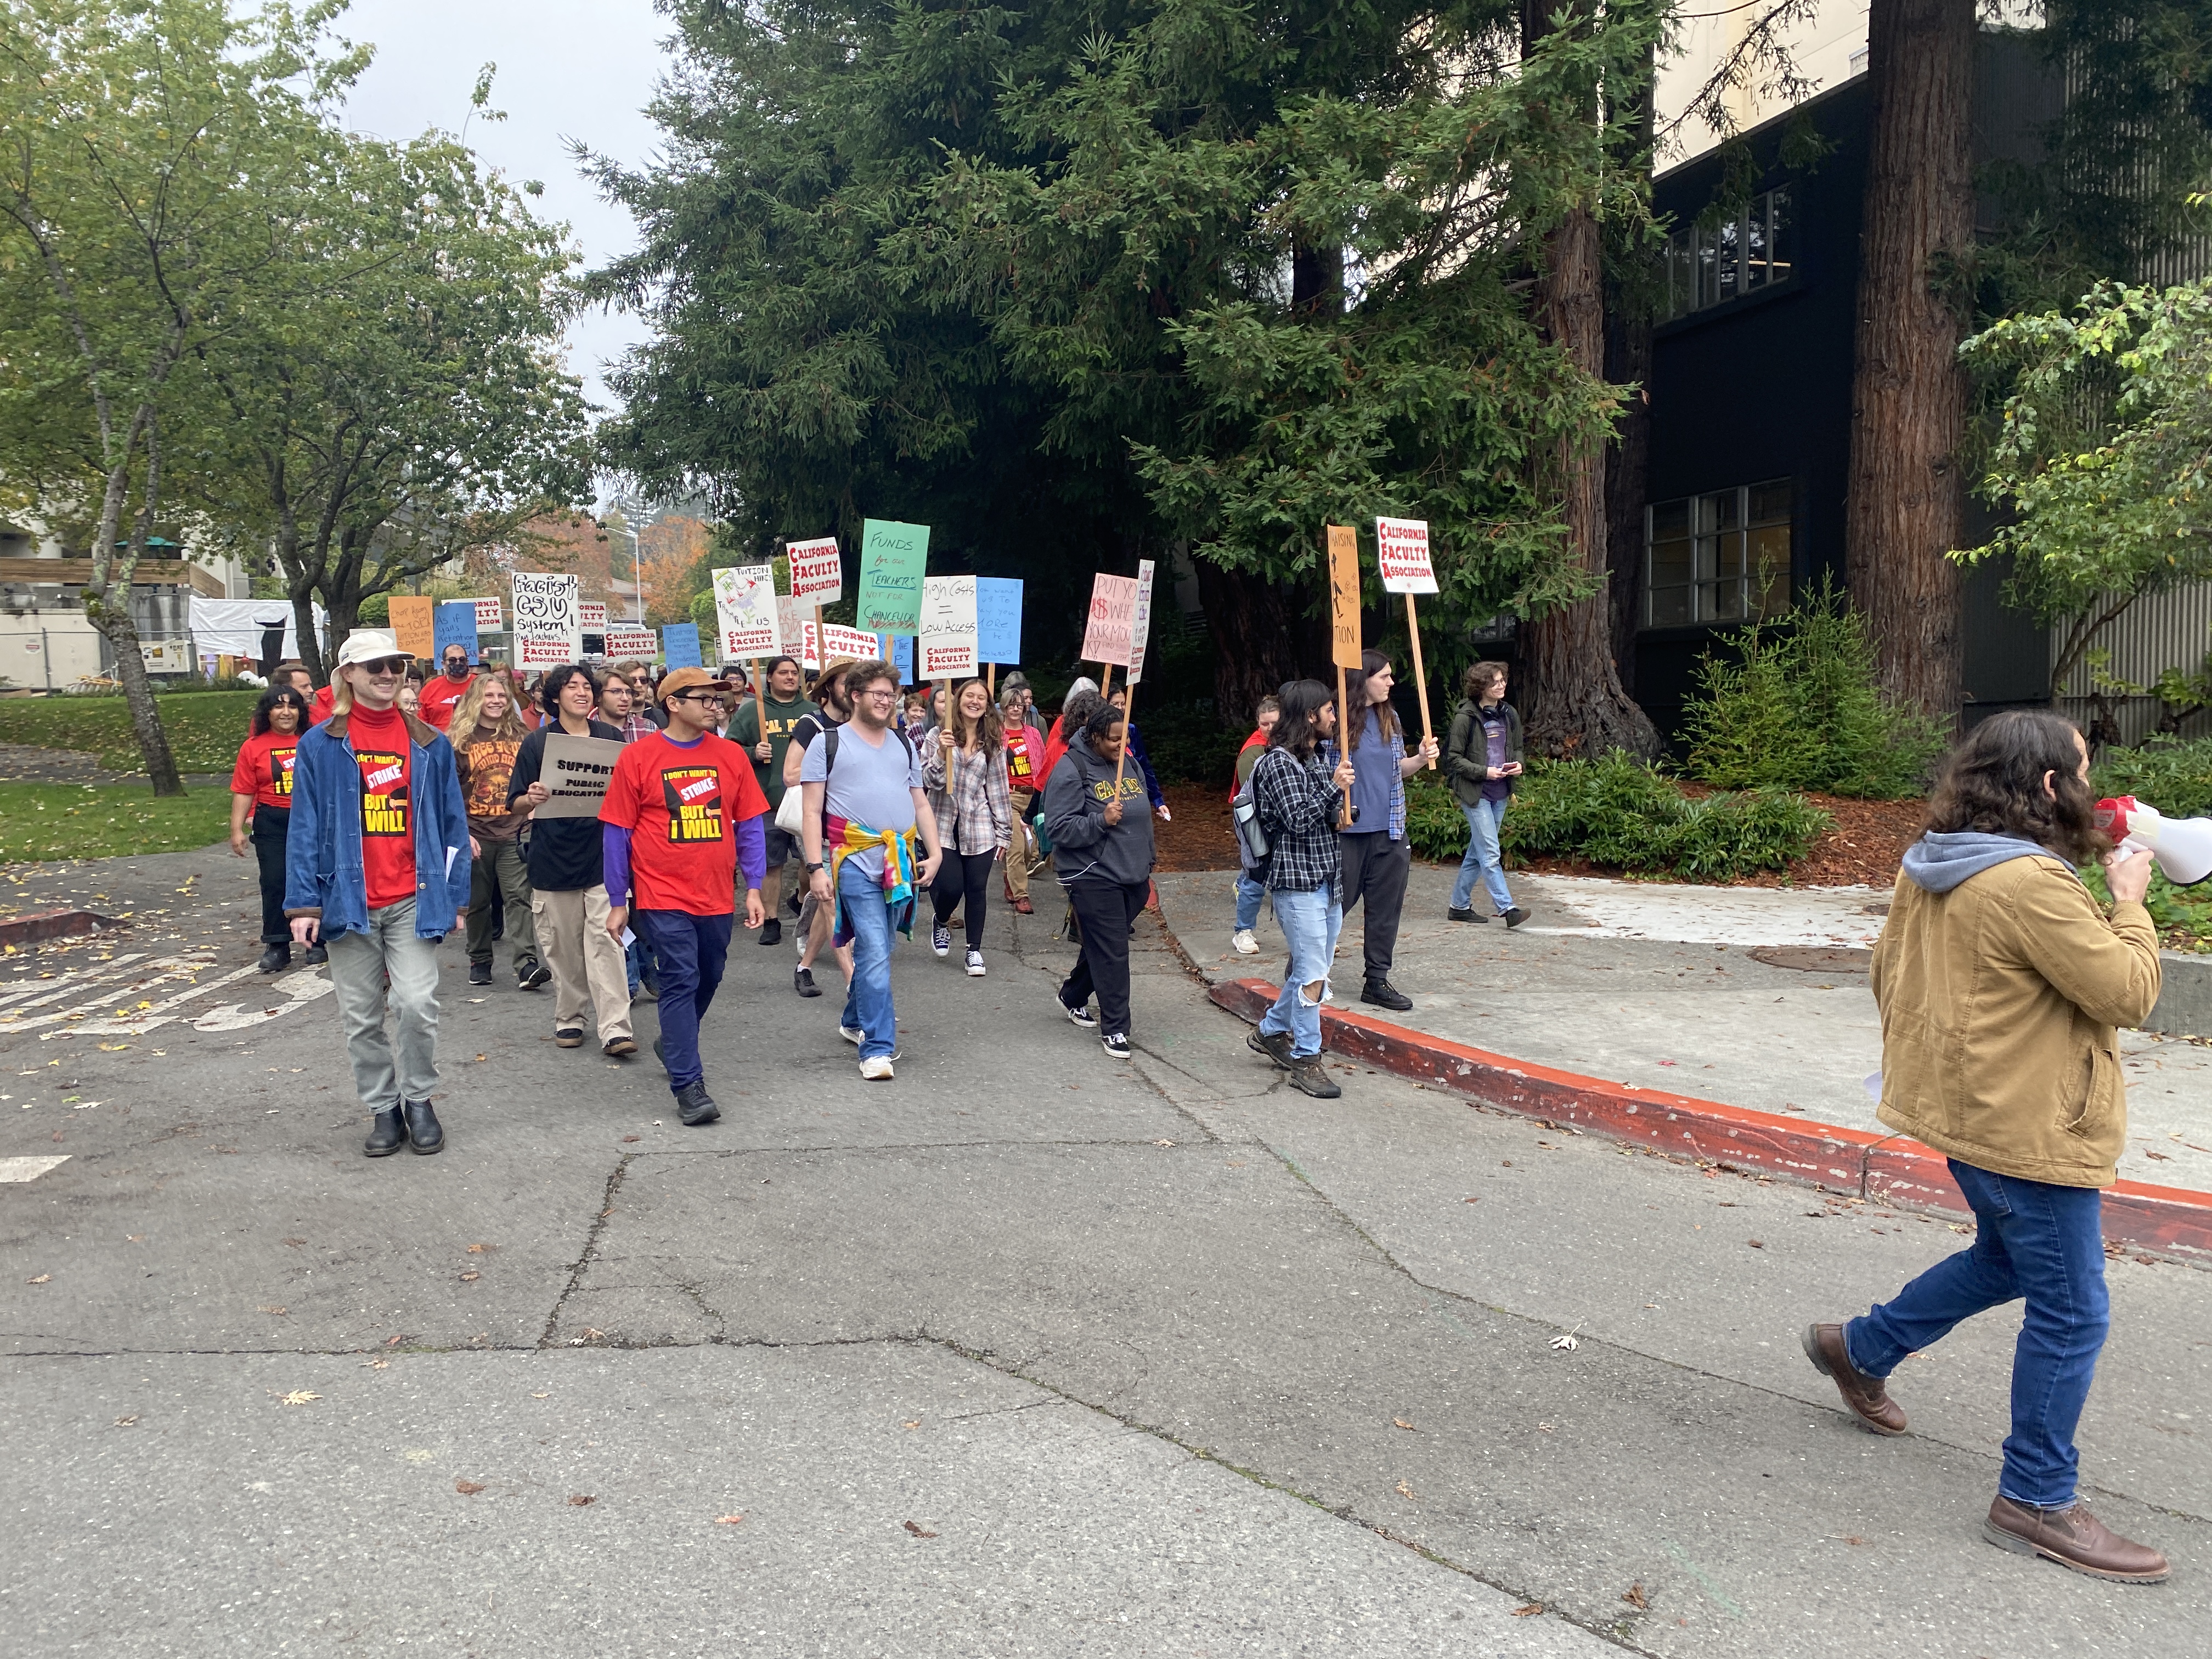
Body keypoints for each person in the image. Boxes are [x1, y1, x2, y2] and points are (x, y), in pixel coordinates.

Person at [1804, 710, 2166, 1583]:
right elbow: (2127, 992)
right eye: (2082, 772)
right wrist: (2128, 905)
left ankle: (1860, 1348)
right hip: (2028, 1125)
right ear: (2049, 786)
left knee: (2007, 1263)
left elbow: (1885, 971)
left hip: (1970, 1111)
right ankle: (2036, 1498)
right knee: (2074, 1309)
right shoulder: (2032, 883)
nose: (2089, 785)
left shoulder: (1938, 856)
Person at [283, 629, 473, 1158]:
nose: (388, 675)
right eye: (375, 667)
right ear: (347, 674)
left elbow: (454, 826)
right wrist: (301, 904)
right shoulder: (319, 745)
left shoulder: (429, 743)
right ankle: (383, 1108)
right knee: (362, 1016)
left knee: (416, 1005)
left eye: (395, 666)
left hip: (414, 897)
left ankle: (419, 1099)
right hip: (346, 900)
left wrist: (456, 898)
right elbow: (303, 828)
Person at [599, 666, 769, 1126]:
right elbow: (616, 833)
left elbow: (750, 824)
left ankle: (674, 1042)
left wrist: (754, 886)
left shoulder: (731, 756)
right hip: (660, 893)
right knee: (680, 977)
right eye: (706, 699)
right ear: (673, 703)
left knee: (710, 974)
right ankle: (688, 1085)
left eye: (718, 700)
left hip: (716, 894)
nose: (716, 706)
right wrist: (619, 899)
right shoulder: (638, 758)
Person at [799, 659, 944, 1081]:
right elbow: (811, 812)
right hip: (854, 863)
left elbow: (920, 802)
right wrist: (814, 867)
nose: (885, 701)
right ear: (855, 696)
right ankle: (877, 1048)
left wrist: (934, 853)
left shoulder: (904, 745)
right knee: (875, 950)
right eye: (877, 693)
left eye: (891, 694)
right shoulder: (826, 743)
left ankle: (852, 1018)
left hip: (899, 861)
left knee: (882, 950)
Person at [507, 665, 637, 1058]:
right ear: (556, 696)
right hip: (553, 859)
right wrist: (532, 799)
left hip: (602, 857)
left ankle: (615, 1026)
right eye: (571, 687)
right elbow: (513, 804)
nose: (581, 693)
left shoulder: (612, 738)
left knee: (606, 943)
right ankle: (571, 1016)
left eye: (587, 687)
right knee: (563, 948)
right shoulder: (537, 743)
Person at [1245, 679, 1356, 1099]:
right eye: (1329, 710)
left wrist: (1342, 808)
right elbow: (1295, 819)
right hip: (1297, 884)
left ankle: (1271, 1031)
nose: (1334, 717)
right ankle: (1308, 1059)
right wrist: (1335, 786)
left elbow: (1320, 814)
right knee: (1311, 975)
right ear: (1310, 716)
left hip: (1327, 880)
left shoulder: (1313, 758)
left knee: (1314, 970)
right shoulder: (1277, 763)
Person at [1322, 650, 1438, 1013]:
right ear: (1363, 679)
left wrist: (1419, 758)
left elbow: (1395, 770)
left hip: (1389, 830)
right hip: (1347, 831)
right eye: (1384, 676)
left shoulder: (1392, 717)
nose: (1391, 682)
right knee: (1331, 909)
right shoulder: (1335, 720)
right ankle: (1308, 973)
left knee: (1386, 910)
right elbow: (1317, 773)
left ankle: (1376, 980)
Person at [1043, 701, 1158, 1058]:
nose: (1119, 746)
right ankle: (1116, 1029)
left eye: (1124, 738)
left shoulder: (1129, 763)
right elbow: (1058, 828)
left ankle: (1073, 995)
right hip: (1092, 873)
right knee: (1113, 949)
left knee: (1102, 944)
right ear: (1094, 736)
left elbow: (1142, 814)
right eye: (1112, 739)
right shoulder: (1072, 768)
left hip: (1133, 874)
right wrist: (1100, 820)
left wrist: (1149, 854)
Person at [450, 673, 546, 991]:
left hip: (513, 830)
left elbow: (535, 778)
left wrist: (531, 814)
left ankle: (526, 964)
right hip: (475, 831)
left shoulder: (521, 734)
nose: (496, 701)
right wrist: (461, 833)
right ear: (475, 700)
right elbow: (448, 792)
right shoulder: (459, 741)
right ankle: (480, 959)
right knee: (478, 902)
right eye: (489, 696)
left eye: (501, 696)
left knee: (519, 898)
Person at [727, 655, 818, 949]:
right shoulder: (753, 711)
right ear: (769, 678)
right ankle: (771, 920)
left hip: (806, 803)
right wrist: (753, 752)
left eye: (795, 673)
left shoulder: (812, 712)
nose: (791, 677)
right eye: (783, 673)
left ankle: (802, 901)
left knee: (811, 864)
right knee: (771, 866)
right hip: (766, 802)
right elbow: (727, 750)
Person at [923, 678, 1012, 975]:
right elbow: (927, 781)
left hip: (980, 825)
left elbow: (998, 789)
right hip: (942, 826)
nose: (975, 701)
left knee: (976, 889)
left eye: (982, 698)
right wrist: (940, 754)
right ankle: (942, 918)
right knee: (950, 887)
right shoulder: (938, 736)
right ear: (958, 700)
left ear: (988, 706)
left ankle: (974, 950)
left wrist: (1004, 833)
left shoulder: (993, 742)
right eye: (969, 696)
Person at [229, 685, 320, 973]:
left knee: (317, 877)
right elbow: (244, 790)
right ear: (267, 712)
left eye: (292, 706)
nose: (286, 712)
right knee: (275, 882)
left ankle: (318, 941)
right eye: (278, 706)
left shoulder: (315, 740)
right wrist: (236, 830)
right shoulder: (253, 747)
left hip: (312, 818)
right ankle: (277, 945)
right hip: (272, 819)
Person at [783, 659, 857, 999]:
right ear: (830, 688)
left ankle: (804, 967)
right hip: (816, 827)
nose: (854, 691)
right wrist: (829, 770)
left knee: (829, 896)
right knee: (831, 902)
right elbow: (789, 774)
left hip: (852, 828)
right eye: (847, 684)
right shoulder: (811, 724)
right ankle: (855, 986)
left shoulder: (862, 725)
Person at [1445, 660, 1528, 927]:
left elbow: (1516, 747)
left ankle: (1458, 906)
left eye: (1503, 680)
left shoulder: (1509, 713)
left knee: (1477, 851)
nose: (1501, 685)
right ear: (1481, 686)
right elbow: (1454, 759)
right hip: (1475, 792)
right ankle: (1508, 909)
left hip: (1501, 792)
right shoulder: (1465, 717)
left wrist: (1518, 764)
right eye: (1495, 681)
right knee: (1490, 852)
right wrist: (1484, 772)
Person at [1230, 696, 1280, 956]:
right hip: (1254, 819)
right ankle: (1243, 931)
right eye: (1265, 724)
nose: (1269, 728)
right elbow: (1251, 795)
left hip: (1279, 820)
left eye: (1275, 723)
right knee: (1256, 875)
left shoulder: (1291, 747)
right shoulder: (1252, 752)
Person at [1000, 680, 1046, 915]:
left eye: (1020, 705)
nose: (1016, 709)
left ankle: (1011, 875)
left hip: (1032, 797)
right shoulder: (998, 734)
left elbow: (1044, 763)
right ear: (1005, 708)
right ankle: (1022, 896)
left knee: (1032, 852)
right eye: (1011, 705)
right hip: (1009, 797)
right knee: (1016, 847)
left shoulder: (1035, 734)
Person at [1106, 686, 1173, 822]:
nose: (1120, 708)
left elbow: (1144, 765)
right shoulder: (1099, 734)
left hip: (1133, 794)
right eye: (1115, 704)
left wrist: (1158, 800)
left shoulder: (1132, 730)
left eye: (1123, 703)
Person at [418, 645, 476, 730]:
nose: (458, 663)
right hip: (439, 741)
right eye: (452, 660)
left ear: (467, 662)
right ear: (443, 664)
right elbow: (420, 724)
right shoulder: (430, 688)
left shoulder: (481, 684)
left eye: (462, 659)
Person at [599, 667, 658, 744]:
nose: (625, 698)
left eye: (629, 692)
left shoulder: (649, 728)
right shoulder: (586, 729)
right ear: (599, 696)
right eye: (616, 691)